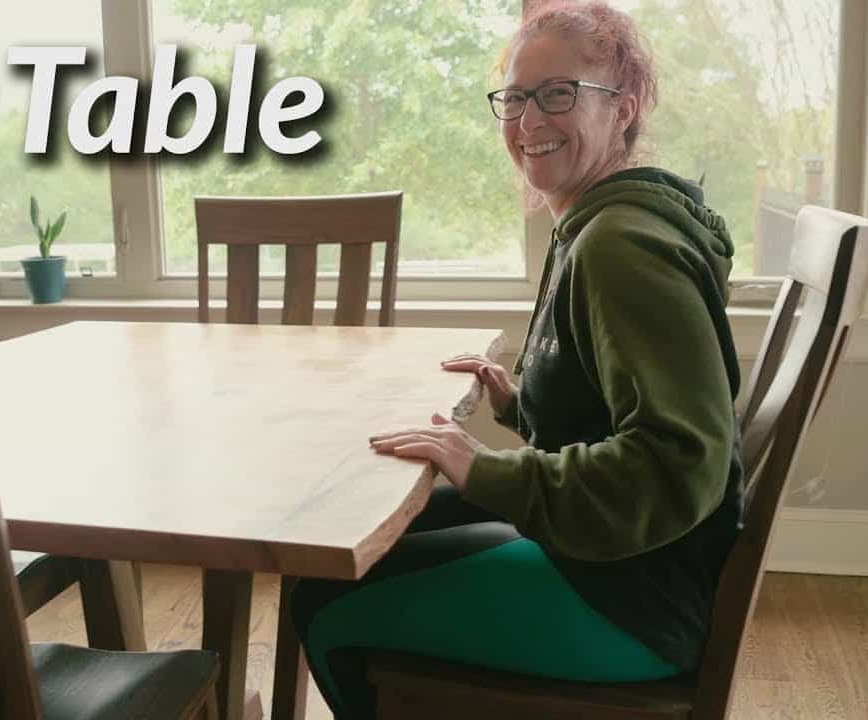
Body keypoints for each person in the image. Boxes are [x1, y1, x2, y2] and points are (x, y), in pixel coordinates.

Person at [288, 1, 745, 718]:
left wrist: (485, 464)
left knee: (322, 598)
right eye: (516, 97)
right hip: (621, 565)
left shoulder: (622, 246)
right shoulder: (603, 220)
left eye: (559, 93)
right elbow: (617, 400)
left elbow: (678, 463)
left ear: (623, 109)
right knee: (357, 542)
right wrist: (521, 401)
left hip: (633, 604)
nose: (529, 120)